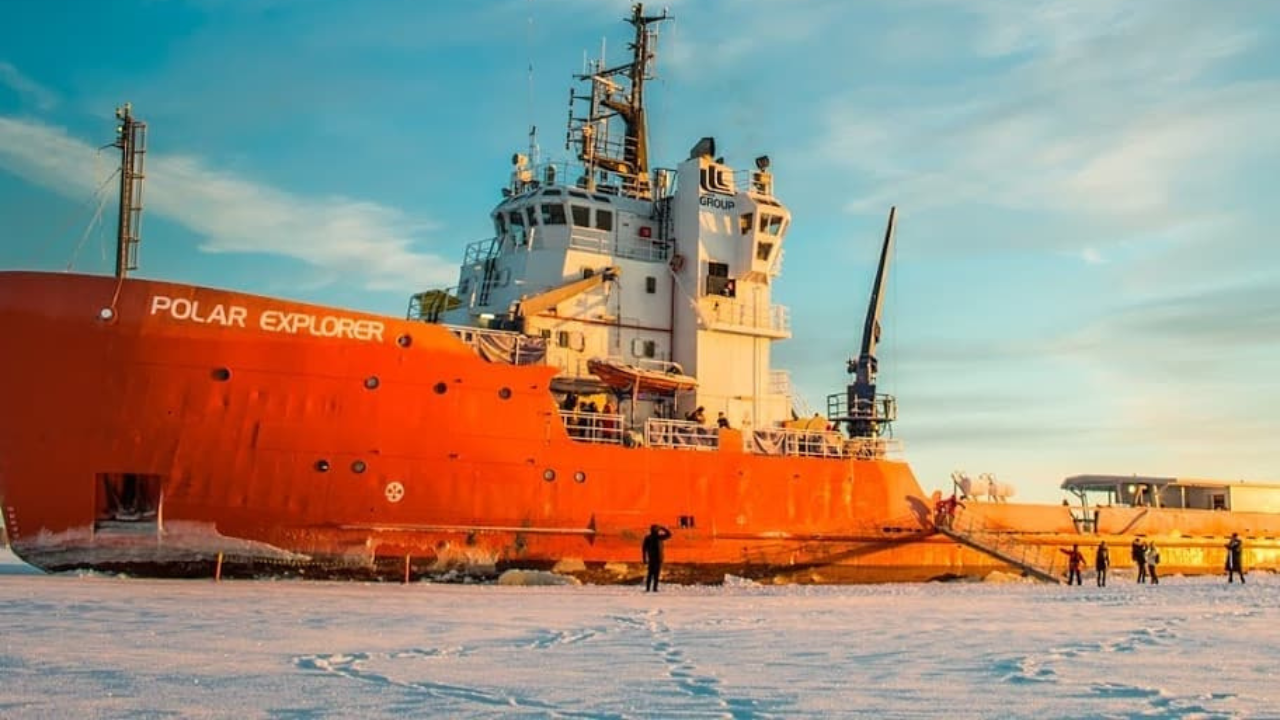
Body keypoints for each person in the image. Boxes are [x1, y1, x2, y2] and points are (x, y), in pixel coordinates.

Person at [642, 524, 672, 592]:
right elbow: (669, 534)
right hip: (658, 559)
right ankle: (654, 588)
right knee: (655, 575)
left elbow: (644, 549)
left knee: (650, 574)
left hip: (653, 559)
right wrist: (663, 528)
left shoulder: (648, 538)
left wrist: (644, 558)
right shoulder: (659, 537)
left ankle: (648, 588)